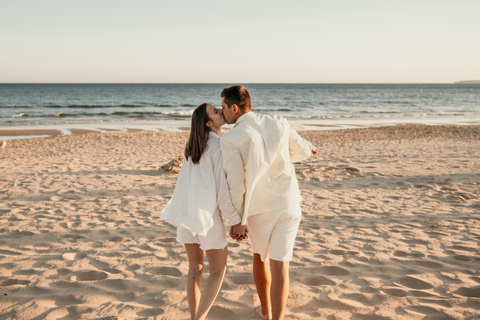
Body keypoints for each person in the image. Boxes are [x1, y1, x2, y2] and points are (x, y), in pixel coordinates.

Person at [220, 86, 317, 320]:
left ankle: (266, 310)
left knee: (260, 257)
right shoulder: (280, 122)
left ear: (234, 108)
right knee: (281, 264)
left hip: (258, 209)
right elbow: (306, 151)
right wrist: (280, 155)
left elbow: (236, 186)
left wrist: (238, 220)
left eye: (223, 107)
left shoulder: (230, 139)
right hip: (288, 204)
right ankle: (278, 318)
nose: (222, 113)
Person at [158, 102, 241, 320]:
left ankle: (195, 316)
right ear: (208, 123)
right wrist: (234, 220)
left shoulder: (192, 148)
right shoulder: (217, 147)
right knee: (217, 272)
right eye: (216, 111)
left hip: (187, 215)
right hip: (207, 218)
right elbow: (222, 192)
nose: (221, 111)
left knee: (195, 270)